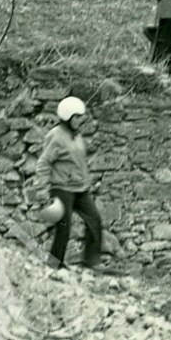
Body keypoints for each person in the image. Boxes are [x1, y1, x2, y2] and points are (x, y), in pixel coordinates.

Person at [35, 95, 104, 271]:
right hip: (62, 188)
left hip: (80, 188)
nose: (80, 121)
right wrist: (41, 188)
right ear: (67, 117)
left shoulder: (76, 135)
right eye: (77, 117)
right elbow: (44, 163)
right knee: (64, 228)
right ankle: (54, 265)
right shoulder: (55, 136)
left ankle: (92, 260)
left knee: (95, 219)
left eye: (81, 117)